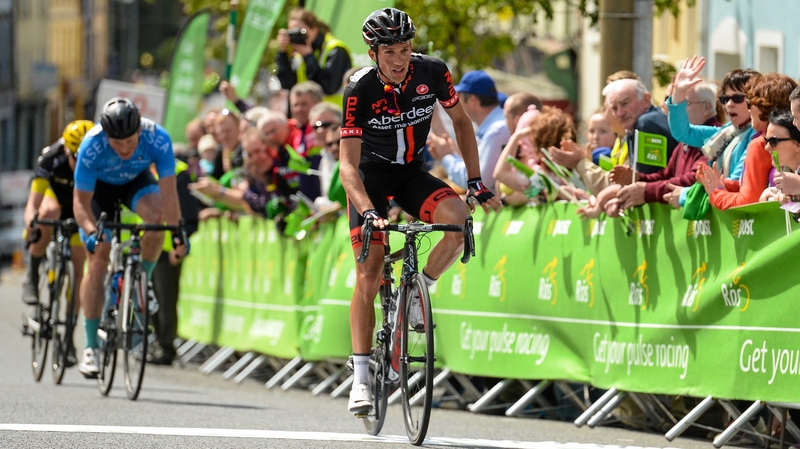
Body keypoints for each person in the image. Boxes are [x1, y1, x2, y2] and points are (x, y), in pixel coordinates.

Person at [340, 7, 502, 415]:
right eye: (390, 51)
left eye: (405, 49)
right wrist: (367, 211)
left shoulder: (433, 71)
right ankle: (361, 378)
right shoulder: (359, 89)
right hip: (370, 179)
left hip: (412, 173)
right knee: (369, 271)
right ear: (374, 53)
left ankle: (418, 291)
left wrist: (475, 180)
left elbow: (461, 123)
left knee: (458, 221)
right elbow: (347, 167)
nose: (399, 60)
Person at [72, 97, 188, 378]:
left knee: (156, 218)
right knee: (97, 260)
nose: (124, 149)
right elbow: (80, 203)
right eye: (117, 143)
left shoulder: (158, 138)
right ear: (106, 137)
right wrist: (91, 232)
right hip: (98, 192)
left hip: (135, 183)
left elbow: (169, 193)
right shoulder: (91, 144)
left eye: (130, 142)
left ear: (139, 132)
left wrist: (176, 232)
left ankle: (141, 278)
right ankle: (90, 347)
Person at [21, 120, 93, 364]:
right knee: (48, 213)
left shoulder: (97, 161)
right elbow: (33, 204)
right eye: (76, 158)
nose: (81, 163)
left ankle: (69, 338)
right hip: (53, 199)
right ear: (67, 151)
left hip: (77, 208)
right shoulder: (51, 158)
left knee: (78, 267)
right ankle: (32, 275)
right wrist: (32, 225)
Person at [664, 56, 758, 208]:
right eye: (725, 99)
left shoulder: (757, 136)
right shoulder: (726, 132)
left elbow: (734, 183)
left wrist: (685, 195)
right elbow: (683, 133)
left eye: (737, 98)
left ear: (754, 99)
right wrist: (679, 92)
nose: (729, 104)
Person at [696, 73, 796, 210]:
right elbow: (758, 187)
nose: (749, 110)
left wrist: (715, 192)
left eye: (749, 103)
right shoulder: (788, 137)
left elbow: (748, 201)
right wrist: (725, 184)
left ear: (763, 107)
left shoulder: (759, 144)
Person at [429, 70, 510, 193]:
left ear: (473, 100)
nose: (456, 103)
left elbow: (480, 183)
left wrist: (446, 157)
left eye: (458, 98)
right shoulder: (494, 127)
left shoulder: (495, 131)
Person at [276, 8, 352, 104]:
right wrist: (282, 53)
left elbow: (328, 87)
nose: (296, 35)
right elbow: (287, 84)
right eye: (292, 32)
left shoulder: (335, 49)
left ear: (315, 30)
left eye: (300, 31)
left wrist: (308, 56)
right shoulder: (299, 55)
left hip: (333, 111)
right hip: (309, 112)